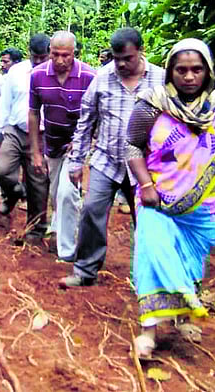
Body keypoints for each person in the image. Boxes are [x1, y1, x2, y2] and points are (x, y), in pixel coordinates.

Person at [126, 38, 215, 357]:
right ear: (170, 71)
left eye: (196, 69)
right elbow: (132, 146)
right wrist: (146, 185)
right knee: (153, 256)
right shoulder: (151, 104)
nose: (189, 76)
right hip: (157, 201)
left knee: (189, 262)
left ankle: (182, 319)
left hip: (204, 205)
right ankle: (148, 332)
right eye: (181, 70)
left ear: (208, 71)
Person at [59, 28, 164, 284]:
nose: (121, 64)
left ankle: (150, 277)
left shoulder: (161, 79)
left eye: (127, 58)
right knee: (92, 209)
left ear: (141, 51)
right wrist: (76, 162)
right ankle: (85, 271)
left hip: (145, 165)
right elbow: (86, 121)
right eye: (117, 58)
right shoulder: (103, 78)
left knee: (148, 218)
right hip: (107, 159)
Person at [29, 32, 96, 245]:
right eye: (55, 54)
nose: (59, 60)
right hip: (52, 142)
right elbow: (33, 113)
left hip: (77, 143)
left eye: (65, 55)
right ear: (49, 52)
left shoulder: (89, 76)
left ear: (74, 53)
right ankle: (61, 227)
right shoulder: (38, 75)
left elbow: (96, 114)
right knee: (56, 192)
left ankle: (67, 247)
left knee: (67, 192)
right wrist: (35, 152)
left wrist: (82, 142)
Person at [0, 36, 51, 238]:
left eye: (43, 57)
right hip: (15, 130)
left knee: (38, 183)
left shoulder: (55, 73)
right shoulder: (16, 72)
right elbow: (4, 103)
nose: (39, 62)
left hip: (42, 135)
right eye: (35, 57)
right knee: (2, 170)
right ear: (28, 52)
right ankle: (13, 193)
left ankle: (36, 229)